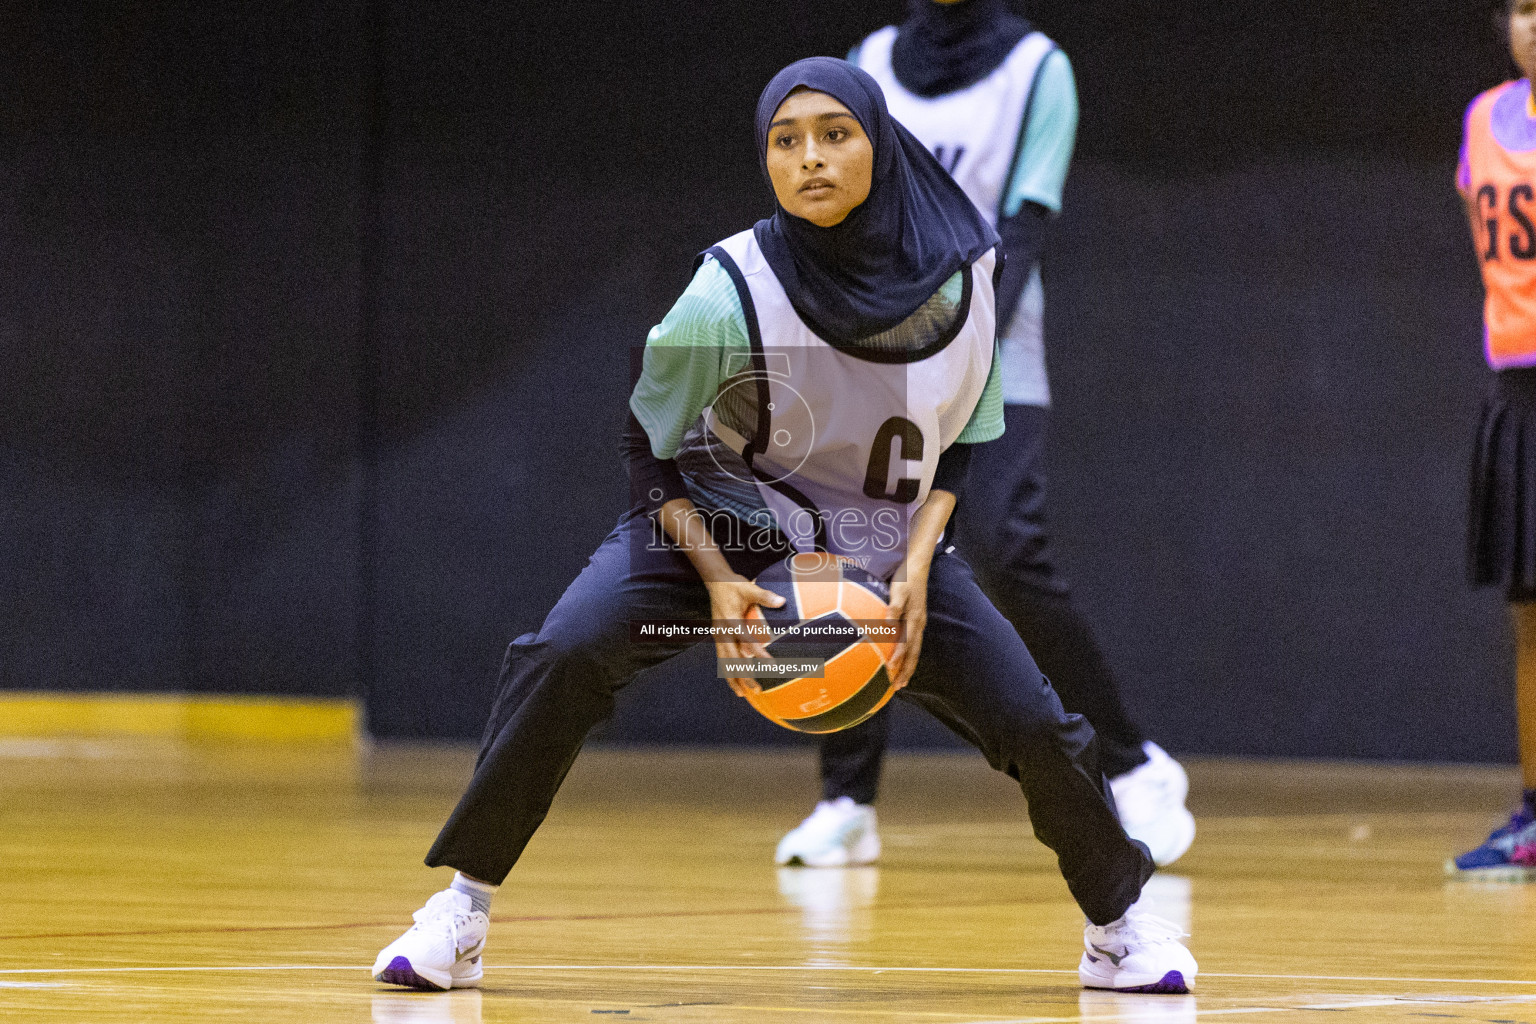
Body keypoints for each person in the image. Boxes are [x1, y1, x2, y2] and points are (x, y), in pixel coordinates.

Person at [371, 58, 1197, 994]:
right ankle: (463, 909)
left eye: (834, 134)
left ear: (880, 145)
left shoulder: (965, 276)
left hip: (881, 545)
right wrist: (719, 582)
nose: (809, 158)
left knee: (1037, 722)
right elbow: (649, 446)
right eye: (784, 140)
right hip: (716, 528)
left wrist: (923, 560)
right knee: (564, 652)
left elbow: (964, 437)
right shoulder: (732, 283)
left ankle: (1119, 929)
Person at [775, 0, 1195, 872]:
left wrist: (947, 334)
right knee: (859, 555)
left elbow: (1025, 229)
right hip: (876, 346)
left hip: (993, 347)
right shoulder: (875, 59)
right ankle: (847, 799)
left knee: (1006, 545)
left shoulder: (1039, 68)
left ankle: (1131, 761)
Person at [1449, 0, 1536, 880]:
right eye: (1521, 6)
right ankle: (1534, 813)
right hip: (1519, 386)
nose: (1534, 22)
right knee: (1529, 616)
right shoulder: (1486, 116)